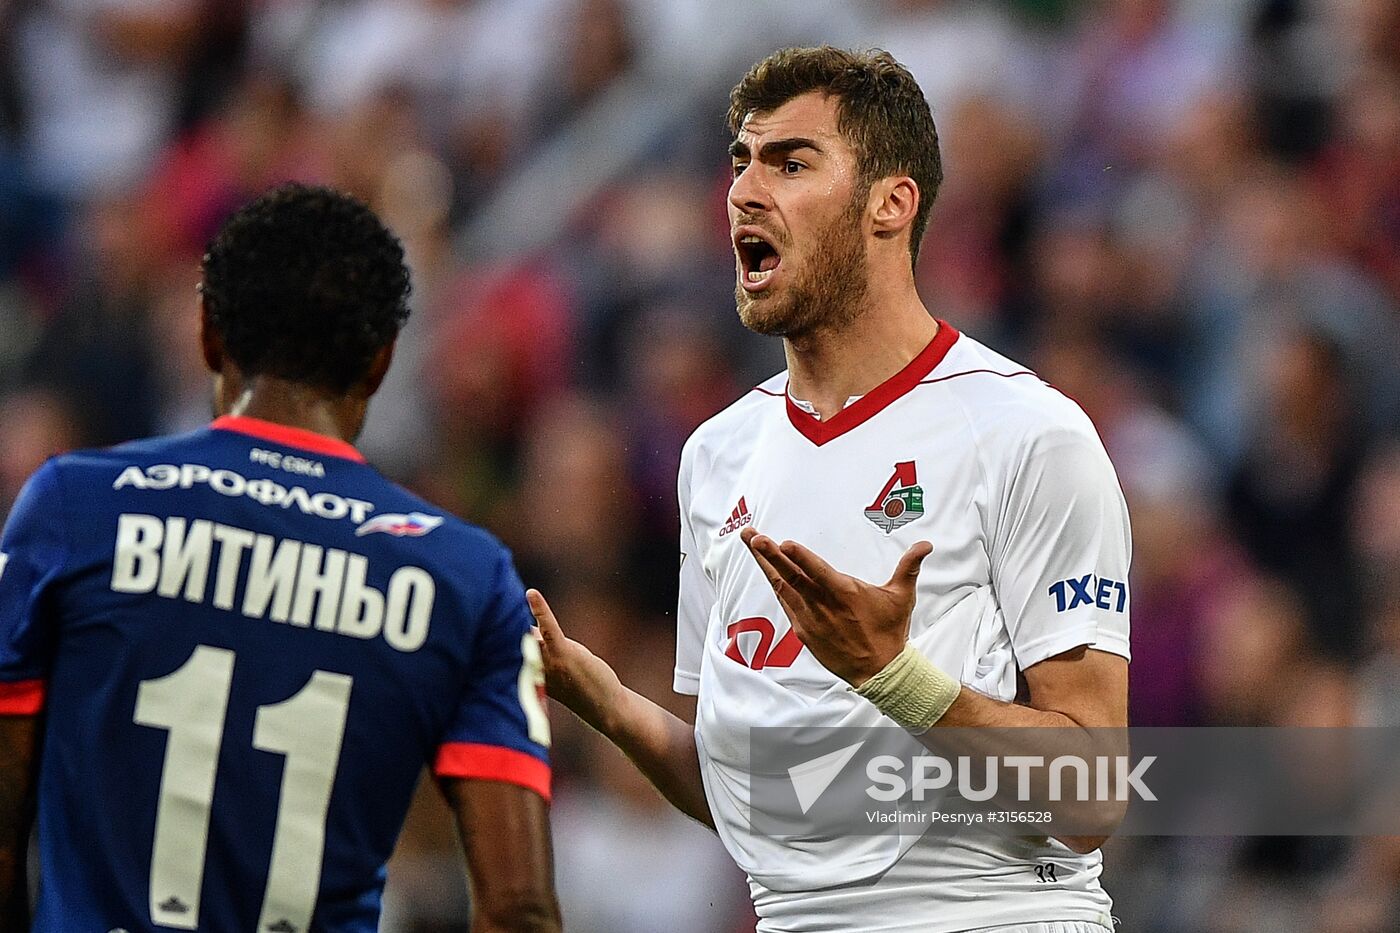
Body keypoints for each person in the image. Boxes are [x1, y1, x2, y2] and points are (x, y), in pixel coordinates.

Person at [531, 47, 1131, 932]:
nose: (744, 191)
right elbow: (764, 801)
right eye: (741, 161)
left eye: (791, 163)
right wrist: (610, 703)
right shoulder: (716, 456)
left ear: (892, 203)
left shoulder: (1028, 434)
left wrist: (893, 676)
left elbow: (1091, 795)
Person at [0, 184, 561, 933]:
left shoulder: (74, 507)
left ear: (209, 334)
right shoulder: (465, 576)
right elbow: (518, 908)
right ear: (381, 361)